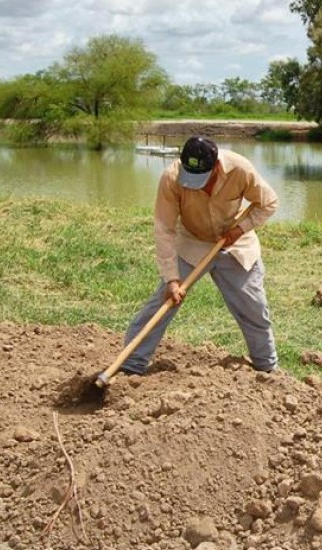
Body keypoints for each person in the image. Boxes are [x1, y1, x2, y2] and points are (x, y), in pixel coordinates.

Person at [119, 135, 279, 375]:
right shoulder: (171, 178)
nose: (198, 186)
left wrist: (239, 230)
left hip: (235, 244)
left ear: (216, 167)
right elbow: (164, 229)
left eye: (203, 179)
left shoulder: (239, 168)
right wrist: (172, 279)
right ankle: (131, 365)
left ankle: (268, 369)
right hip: (192, 243)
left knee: (254, 308)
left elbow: (268, 203)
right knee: (163, 302)